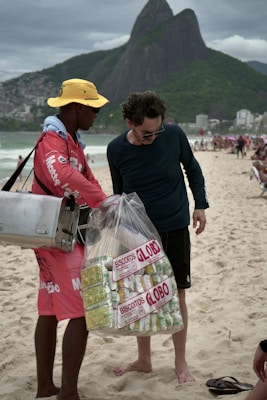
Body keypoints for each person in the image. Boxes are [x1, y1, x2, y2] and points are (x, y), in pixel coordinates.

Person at [107, 91, 209, 383]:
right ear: (129, 122)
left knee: (177, 294)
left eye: (157, 130)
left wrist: (200, 205)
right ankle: (144, 359)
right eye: (146, 133)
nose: (153, 136)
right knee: (141, 296)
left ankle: (180, 364)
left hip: (175, 226)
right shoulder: (116, 150)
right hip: (136, 234)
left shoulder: (173, 135)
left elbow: (193, 169)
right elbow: (119, 195)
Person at [31, 78, 109, 400]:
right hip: (55, 235)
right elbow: (61, 174)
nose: (96, 117)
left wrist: (106, 201)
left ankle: (46, 387)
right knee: (82, 311)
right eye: (92, 110)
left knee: (49, 309)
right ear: (77, 108)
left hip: (52, 233)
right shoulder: (53, 139)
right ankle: (69, 393)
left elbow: (86, 177)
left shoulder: (71, 140)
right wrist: (101, 200)